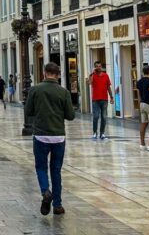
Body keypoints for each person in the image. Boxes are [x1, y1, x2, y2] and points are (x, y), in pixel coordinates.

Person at [26, 62, 76, 216]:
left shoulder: (35, 90)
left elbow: (28, 111)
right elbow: (70, 116)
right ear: (58, 75)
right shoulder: (64, 92)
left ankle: (45, 191)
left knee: (41, 167)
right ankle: (58, 205)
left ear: (44, 73)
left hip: (41, 135)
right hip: (58, 137)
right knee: (56, 170)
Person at [87, 62, 113, 140]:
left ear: (101, 67)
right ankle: (95, 132)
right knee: (96, 116)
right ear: (95, 67)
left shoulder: (106, 76)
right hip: (95, 100)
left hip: (104, 99)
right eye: (97, 66)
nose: (98, 67)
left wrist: (111, 97)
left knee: (104, 117)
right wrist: (91, 74)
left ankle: (102, 133)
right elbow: (89, 83)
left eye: (100, 66)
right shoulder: (93, 76)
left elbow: (108, 87)